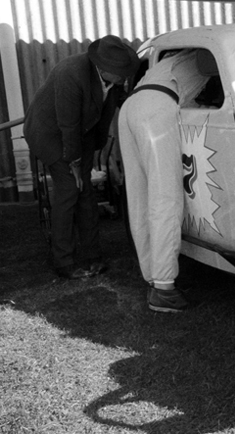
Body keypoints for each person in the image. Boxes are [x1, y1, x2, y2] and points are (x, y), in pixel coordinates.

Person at [24, 35, 140, 279]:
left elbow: (117, 102)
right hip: (50, 132)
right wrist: (75, 164)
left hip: (81, 132)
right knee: (69, 191)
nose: (124, 79)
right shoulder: (72, 73)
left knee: (85, 192)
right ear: (105, 68)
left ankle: (92, 256)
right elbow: (68, 124)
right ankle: (63, 262)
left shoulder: (114, 79)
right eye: (121, 74)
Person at [118, 49, 211, 313]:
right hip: (157, 108)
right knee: (165, 195)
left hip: (133, 104)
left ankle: (153, 276)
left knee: (140, 195)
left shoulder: (182, 55)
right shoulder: (205, 56)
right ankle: (163, 288)